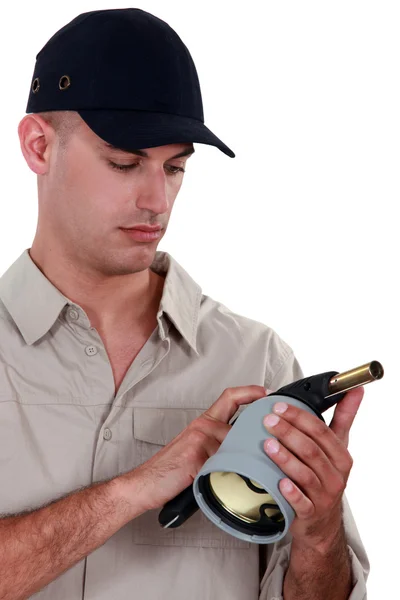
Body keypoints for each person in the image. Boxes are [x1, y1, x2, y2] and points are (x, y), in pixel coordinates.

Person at [0, 8, 369, 600]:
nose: (157, 199)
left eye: (175, 167)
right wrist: (133, 490)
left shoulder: (259, 362)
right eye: (124, 163)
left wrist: (320, 534)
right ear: (39, 146)